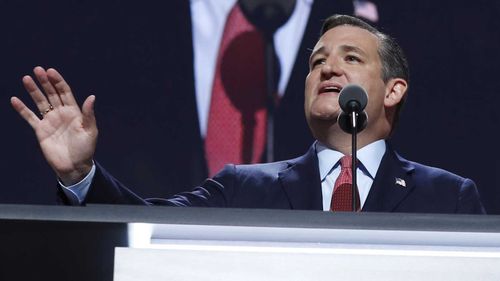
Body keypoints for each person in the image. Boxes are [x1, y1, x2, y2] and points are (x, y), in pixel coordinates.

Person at [11, 14, 485, 213]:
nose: (327, 68)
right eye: (317, 61)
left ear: (394, 90)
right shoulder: (244, 187)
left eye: (351, 58)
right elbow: (149, 225)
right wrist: (80, 174)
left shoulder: (448, 197)